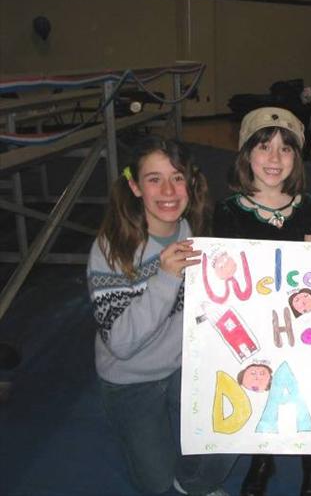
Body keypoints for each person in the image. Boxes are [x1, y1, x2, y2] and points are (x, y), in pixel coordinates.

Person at [86, 137, 235, 495]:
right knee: (156, 485)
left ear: (192, 183)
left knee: (233, 427)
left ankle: (193, 486)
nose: (168, 190)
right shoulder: (111, 248)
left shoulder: (191, 231)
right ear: (135, 186)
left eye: (178, 177)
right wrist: (166, 278)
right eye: (154, 179)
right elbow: (121, 344)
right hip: (130, 379)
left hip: (183, 366)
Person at [212, 107, 311, 496]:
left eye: (285, 149)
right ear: (246, 155)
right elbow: (225, 273)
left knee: (304, 378)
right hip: (255, 317)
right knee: (259, 380)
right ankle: (261, 455)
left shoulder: (309, 208)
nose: (274, 159)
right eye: (264, 147)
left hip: (299, 316)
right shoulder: (229, 212)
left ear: (297, 158)